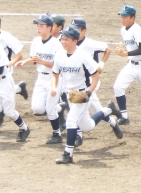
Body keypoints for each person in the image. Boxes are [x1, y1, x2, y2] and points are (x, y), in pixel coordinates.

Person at [52, 26, 124, 164]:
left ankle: (68, 154)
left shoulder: (83, 56)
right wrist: (54, 87)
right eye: (62, 39)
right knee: (87, 126)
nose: (63, 42)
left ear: (74, 41)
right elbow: (55, 74)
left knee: (71, 121)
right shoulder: (59, 55)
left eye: (66, 39)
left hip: (82, 94)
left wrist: (88, 93)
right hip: (70, 95)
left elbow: (95, 77)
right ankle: (108, 110)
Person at [15, 14, 64, 144]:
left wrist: (42, 61)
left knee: (50, 111)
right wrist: (25, 62)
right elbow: (35, 60)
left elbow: (59, 66)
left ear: (49, 28)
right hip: (41, 78)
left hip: (54, 78)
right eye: (38, 25)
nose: (38, 28)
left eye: (41, 26)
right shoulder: (36, 41)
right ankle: (60, 108)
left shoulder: (56, 44)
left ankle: (57, 134)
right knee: (37, 109)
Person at [0, 14, 28, 101]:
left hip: (4, 68)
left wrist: (8, 65)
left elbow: (19, 55)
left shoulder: (6, 37)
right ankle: (19, 88)